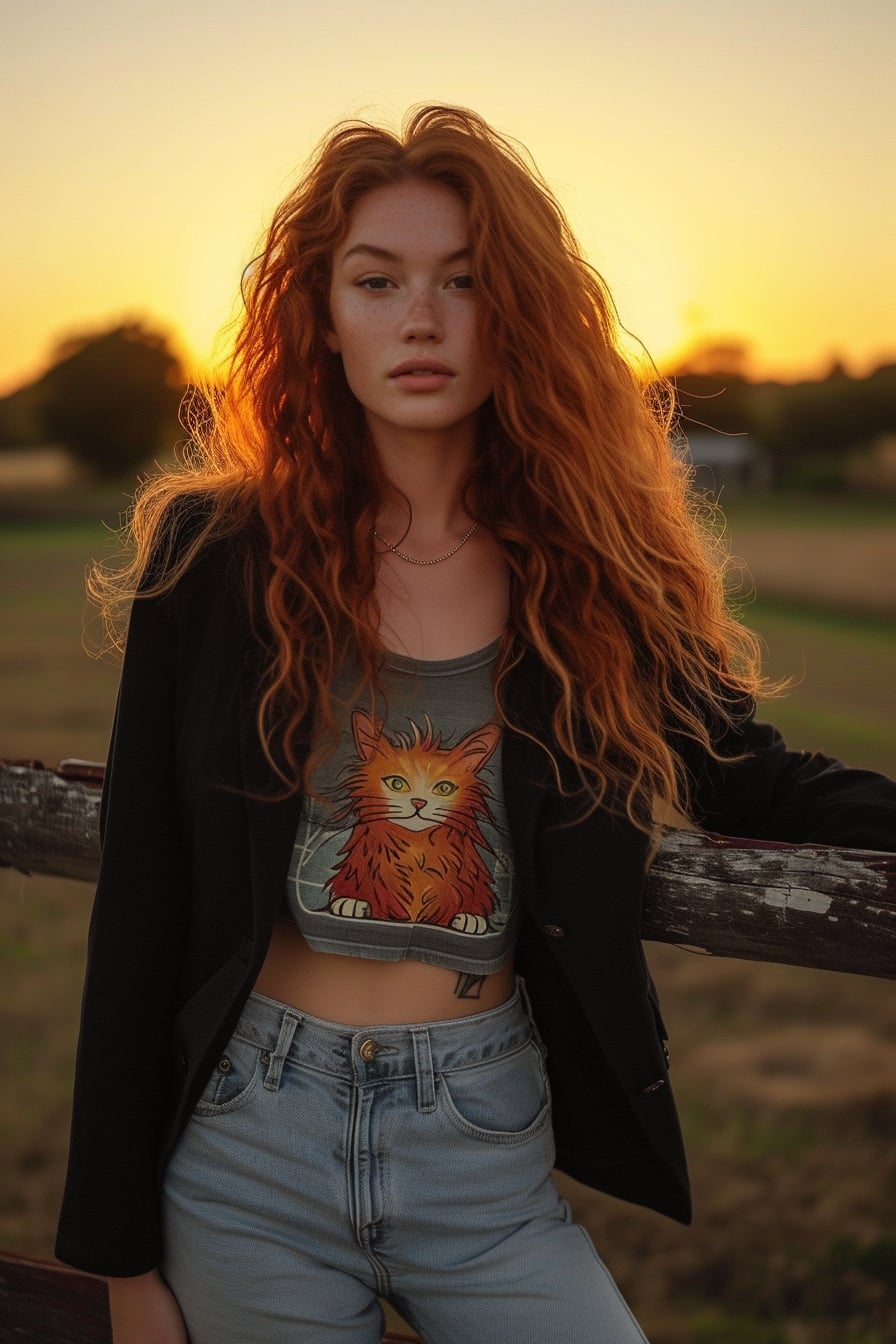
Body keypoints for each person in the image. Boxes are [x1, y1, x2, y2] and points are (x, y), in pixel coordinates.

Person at [55, 105, 896, 1344]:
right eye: (376, 279)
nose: (420, 317)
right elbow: (142, 898)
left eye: (464, 281)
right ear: (320, 317)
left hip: (485, 1138)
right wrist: (118, 1262)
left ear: (517, 318)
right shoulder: (217, 557)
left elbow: (748, 782)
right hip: (248, 1141)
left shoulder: (597, 574)